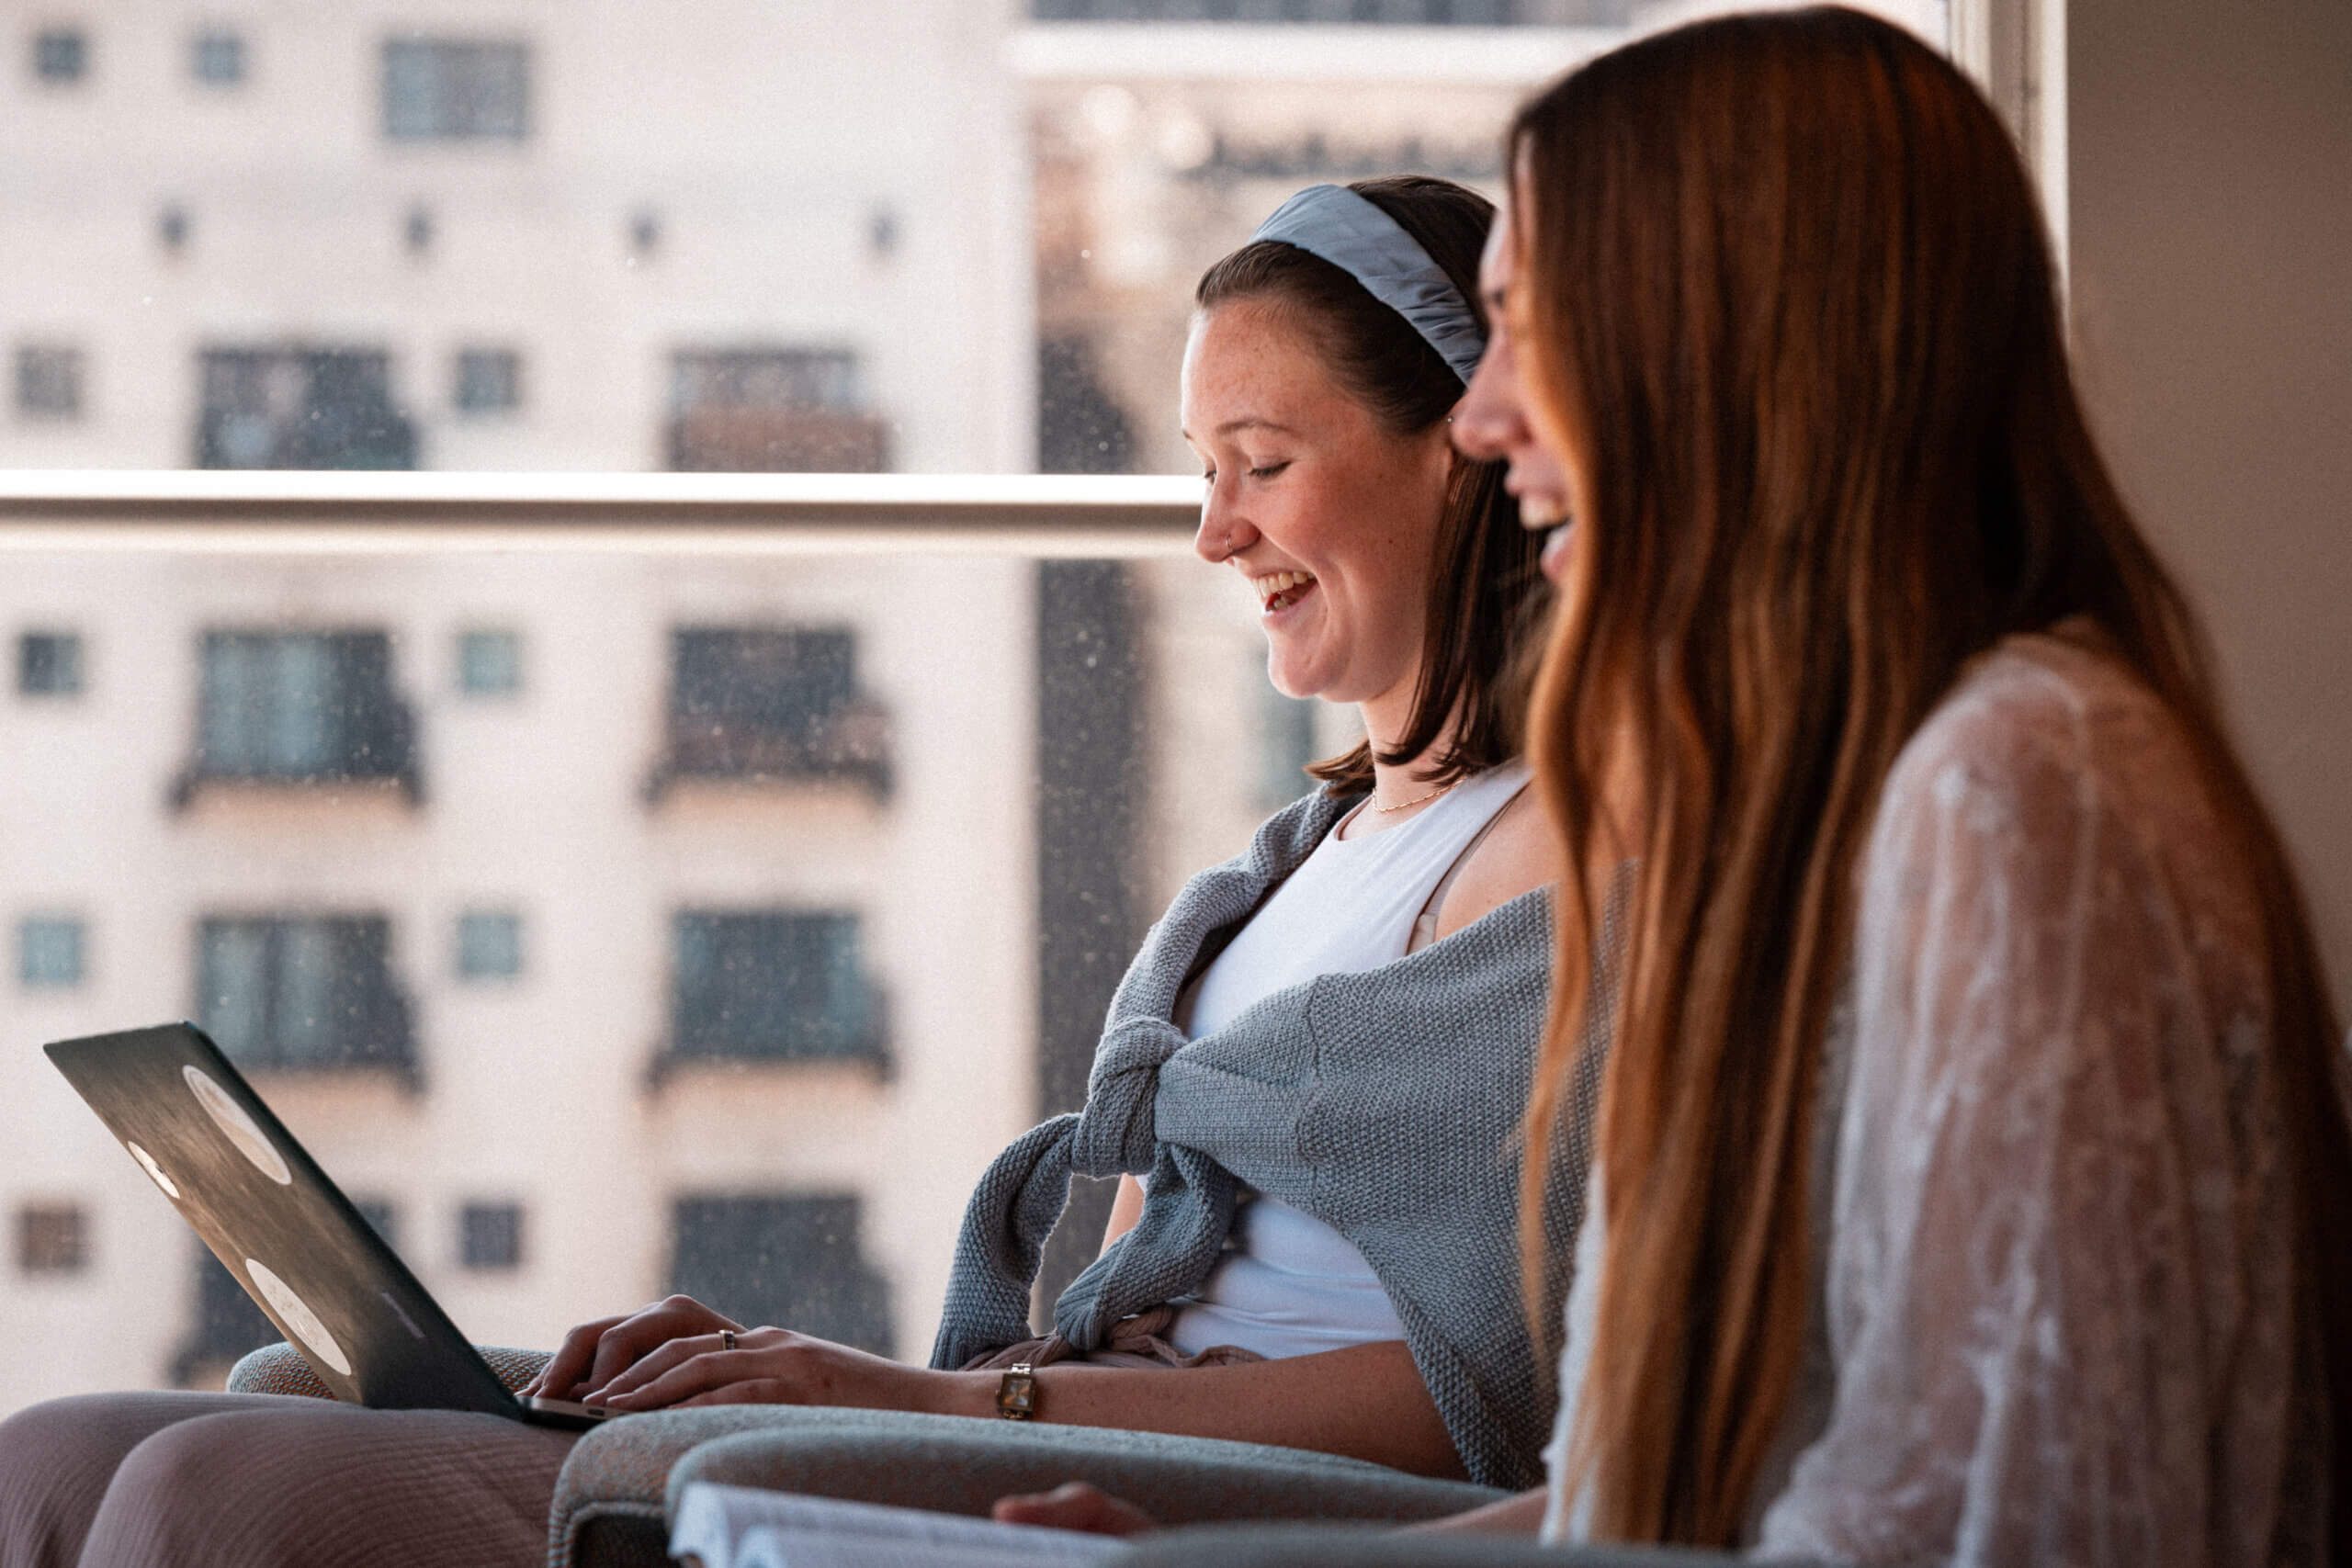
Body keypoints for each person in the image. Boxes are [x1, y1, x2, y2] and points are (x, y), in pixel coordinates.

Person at [0, 175, 1589, 1568]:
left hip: (1204, 1480)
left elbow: (1510, 1379)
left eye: (1261, 461)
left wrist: (921, 1398)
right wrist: (850, 1376)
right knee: (64, 1457)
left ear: (1469, 457)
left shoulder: (1574, 847)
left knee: (231, 1484)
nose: (1213, 533)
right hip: (1055, 1418)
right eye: (1202, 468)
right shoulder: (1290, 865)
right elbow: (1124, 1301)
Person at [1000, 10, 2352, 1563]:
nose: (1489, 427)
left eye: (1533, 331)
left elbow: (2040, 1517)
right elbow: (1637, 1519)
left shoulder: (2017, 785)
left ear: (1726, 348)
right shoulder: (1831, 809)